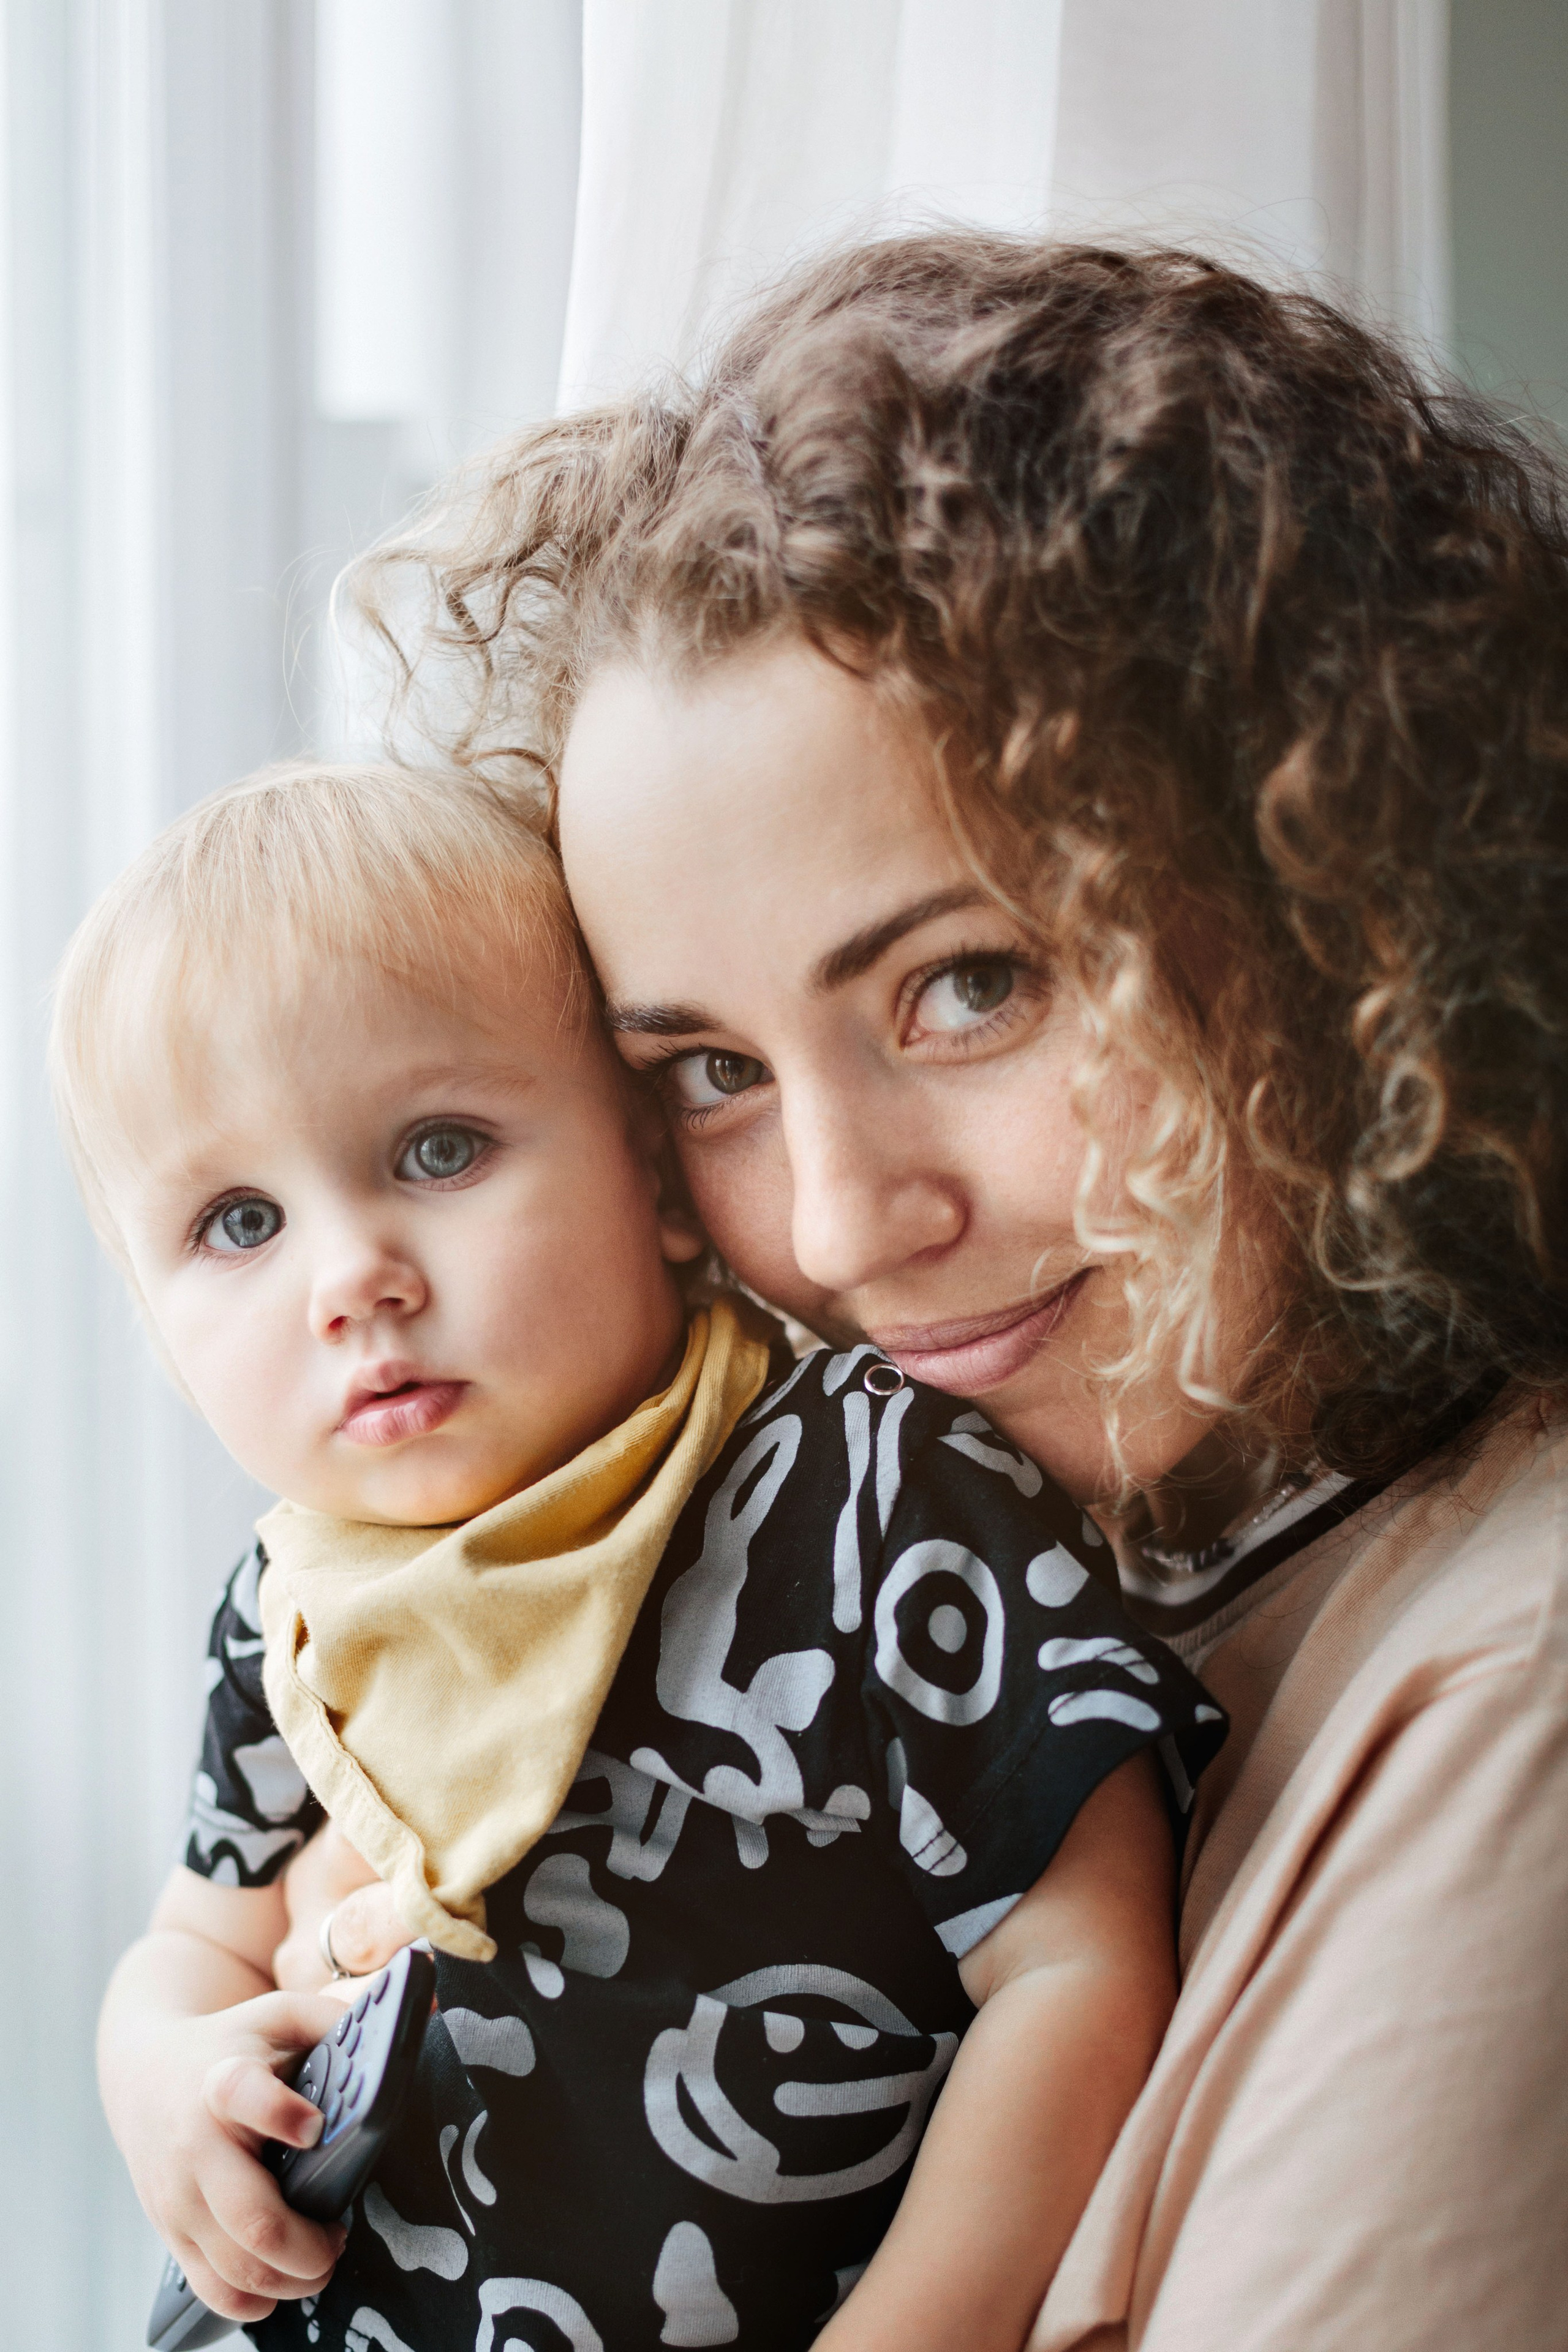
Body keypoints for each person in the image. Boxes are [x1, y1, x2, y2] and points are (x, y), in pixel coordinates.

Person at [296, 235, 1568, 2346]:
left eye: (967, 987)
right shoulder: (920, 1604)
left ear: (1341, 900)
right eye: (704, 1071)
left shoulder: (1504, 1705)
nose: (843, 1220)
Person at [66, 758, 1223, 2350]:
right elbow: (192, 1941)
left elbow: (1079, 1967)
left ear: (655, 1177)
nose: (352, 1279)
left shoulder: (867, 1486)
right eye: (239, 1225)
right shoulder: (293, 1608)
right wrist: (157, 2077)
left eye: (439, 1149)